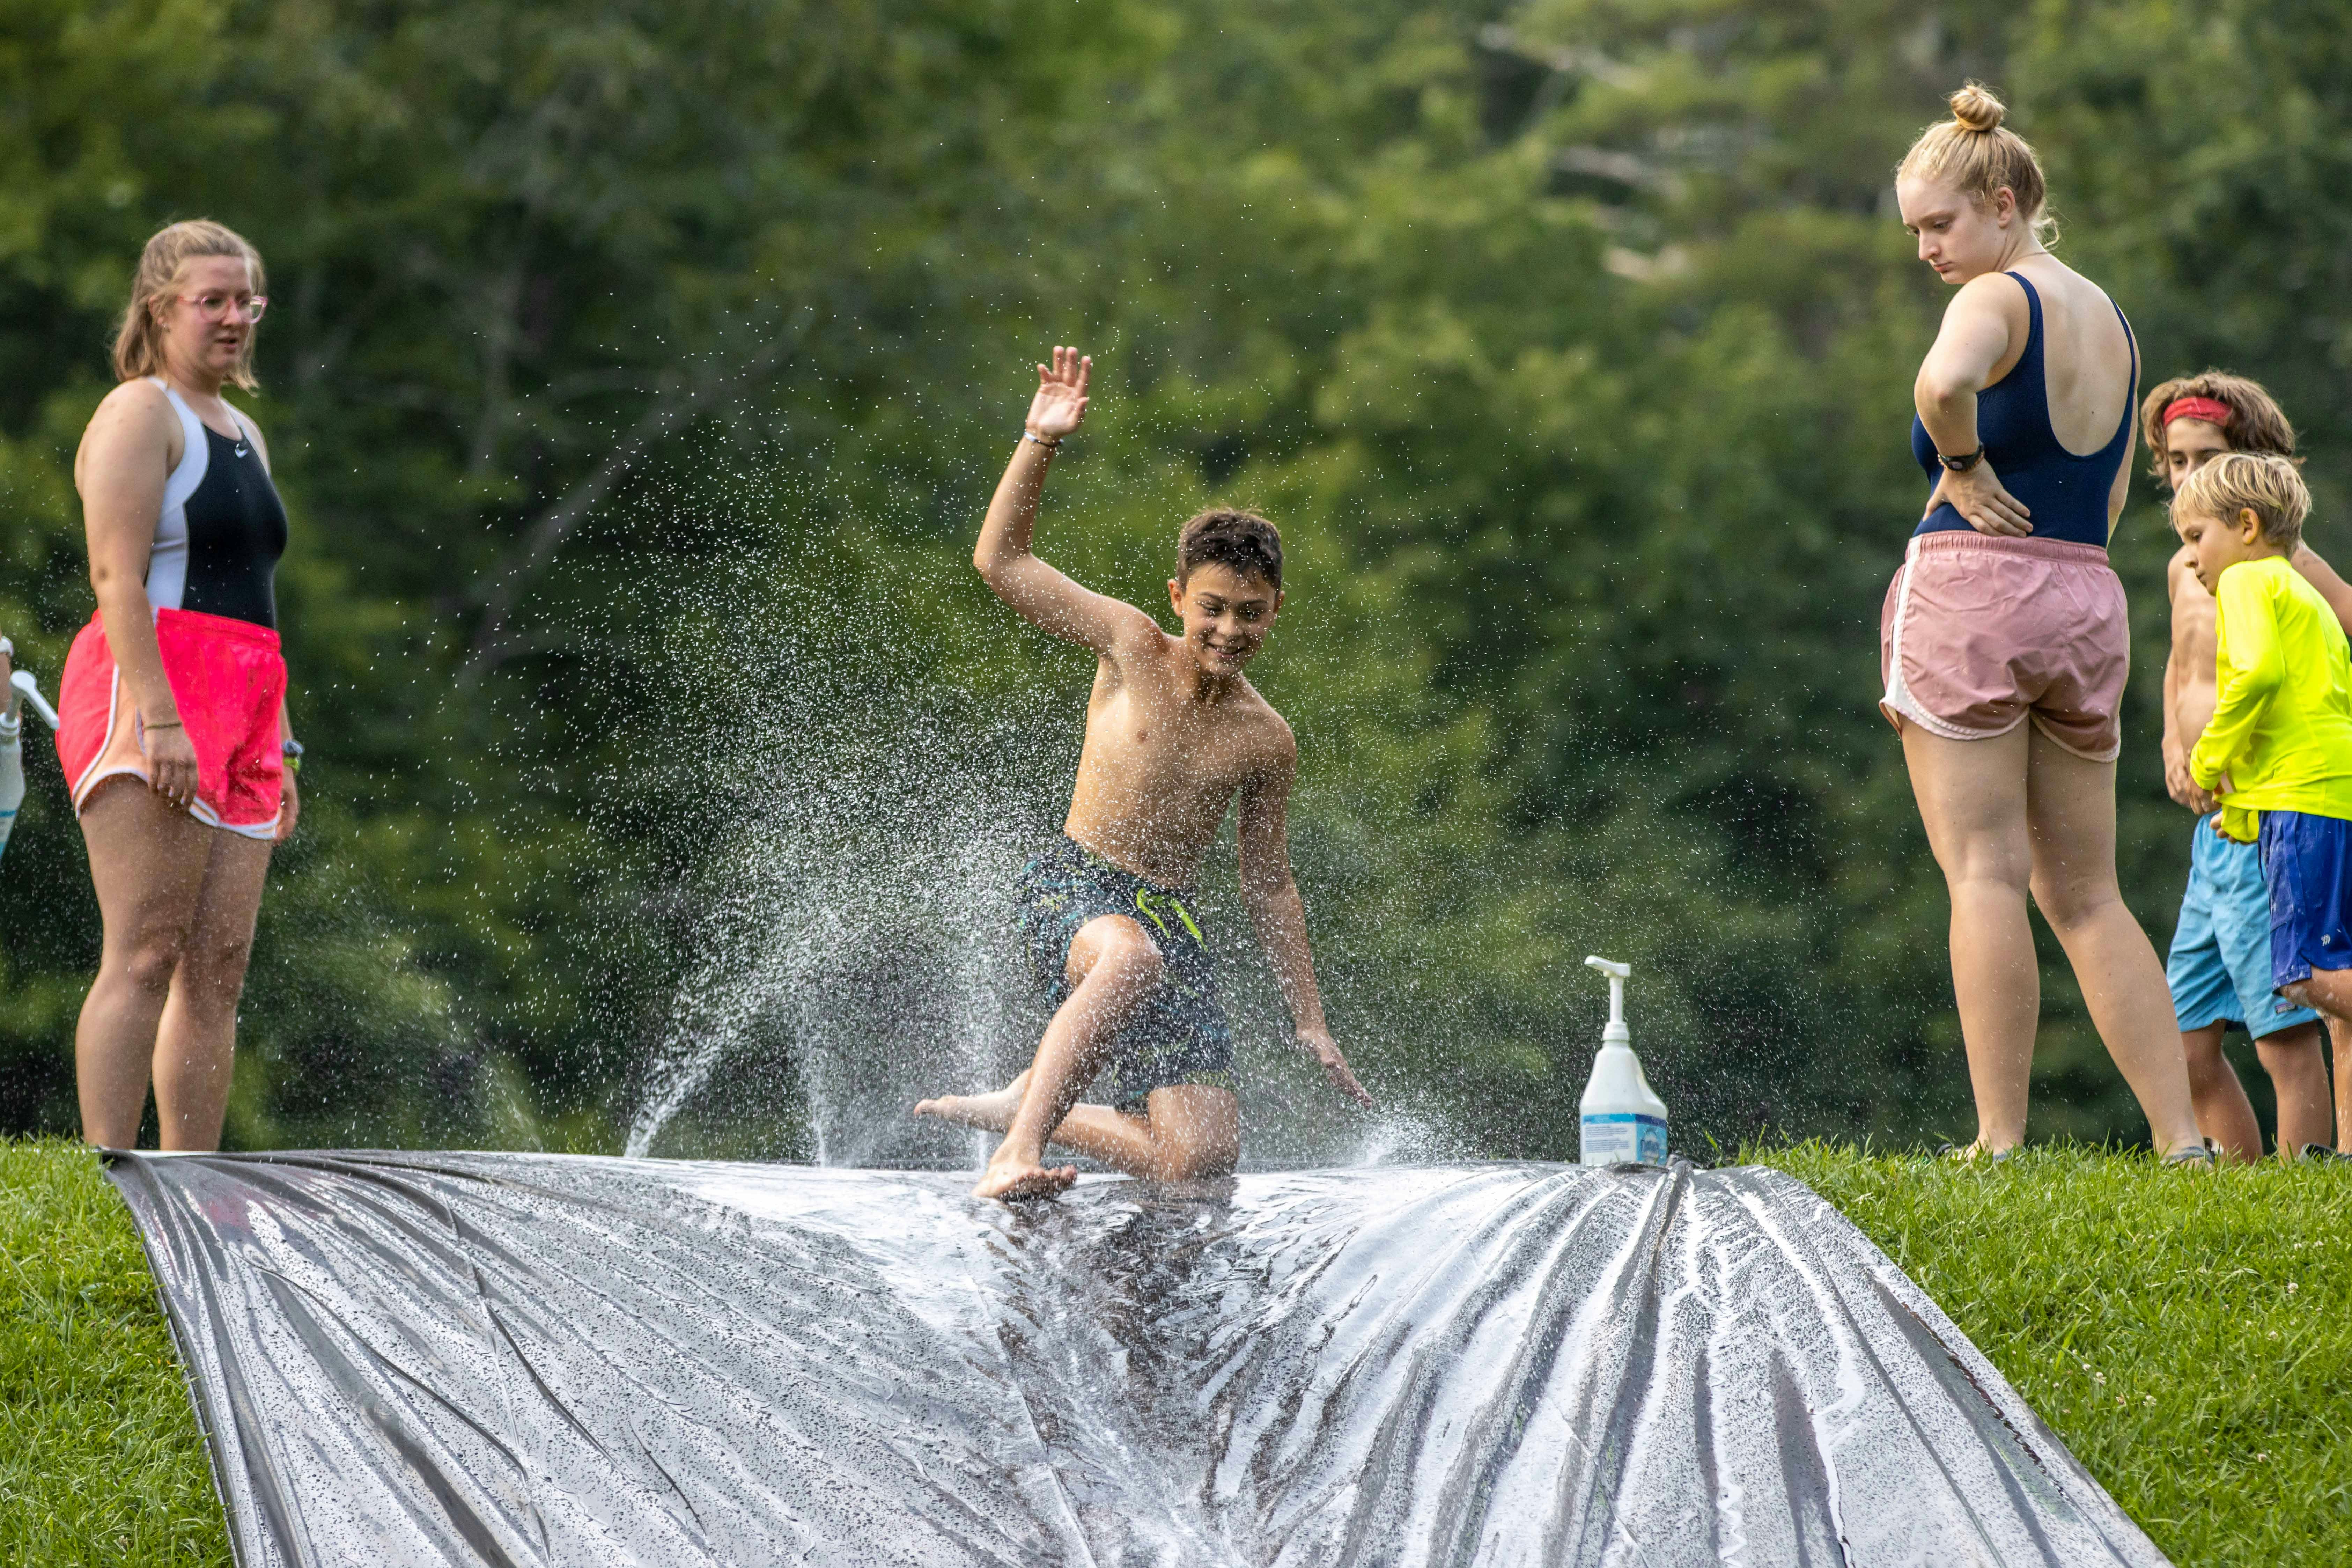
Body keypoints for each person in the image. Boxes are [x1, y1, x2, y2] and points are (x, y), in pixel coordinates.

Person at [914, 346, 1371, 1200]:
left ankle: (1031, 1098)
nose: (1229, 629)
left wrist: (1310, 1017)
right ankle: (1016, 1148)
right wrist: (1038, 441)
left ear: (1278, 611)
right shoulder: (1129, 643)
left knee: (1196, 1159)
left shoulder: (1268, 739)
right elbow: (1001, 563)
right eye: (1212, 607)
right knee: (1127, 959)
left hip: (1173, 923)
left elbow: (1269, 883)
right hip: (1075, 886)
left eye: (1250, 613)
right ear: (1176, 598)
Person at [1880, 85, 2205, 1162]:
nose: (1928, 247)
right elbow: (2109, 486)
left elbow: (1943, 386)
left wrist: (1963, 465)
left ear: (2007, 203)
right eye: (1916, 229)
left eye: (1942, 223)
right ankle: (2181, 1138)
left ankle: (1999, 1138)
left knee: (1982, 872)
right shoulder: (2110, 318)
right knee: (2087, 891)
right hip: (2084, 594)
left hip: (1974, 588)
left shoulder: (1991, 300)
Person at [56, 220, 302, 1151]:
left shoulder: (245, 432)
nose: (236, 318)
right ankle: (110, 1171)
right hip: (155, 686)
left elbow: (260, 604)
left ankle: (194, 1180)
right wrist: (159, 717)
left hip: (247, 705)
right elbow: (116, 577)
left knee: (220, 967)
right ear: (162, 312)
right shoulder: (138, 414)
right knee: (149, 950)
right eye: (215, 301)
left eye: (249, 301)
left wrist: (282, 739)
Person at [2146, 374, 2352, 1160]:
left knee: (2286, 1028)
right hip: (2211, 823)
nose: (2188, 473)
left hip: (2271, 808)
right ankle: (2238, 1186)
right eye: (2175, 459)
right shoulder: (2187, 566)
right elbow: (2180, 668)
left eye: (2209, 456)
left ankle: (2300, 1184)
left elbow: (2329, 638)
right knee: (2186, 1042)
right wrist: (2174, 745)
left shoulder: (2283, 564)